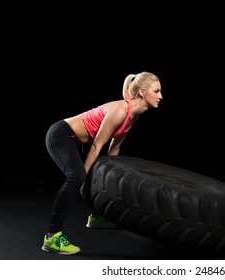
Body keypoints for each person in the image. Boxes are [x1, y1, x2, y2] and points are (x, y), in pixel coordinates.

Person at [42, 71, 163, 255]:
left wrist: (108, 179)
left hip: (76, 141)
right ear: (142, 92)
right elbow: (97, 145)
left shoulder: (133, 116)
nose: (161, 96)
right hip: (61, 135)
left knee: (100, 175)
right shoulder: (121, 111)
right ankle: (52, 236)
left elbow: (113, 151)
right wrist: (83, 181)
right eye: (157, 91)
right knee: (77, 177)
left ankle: (98, 216)